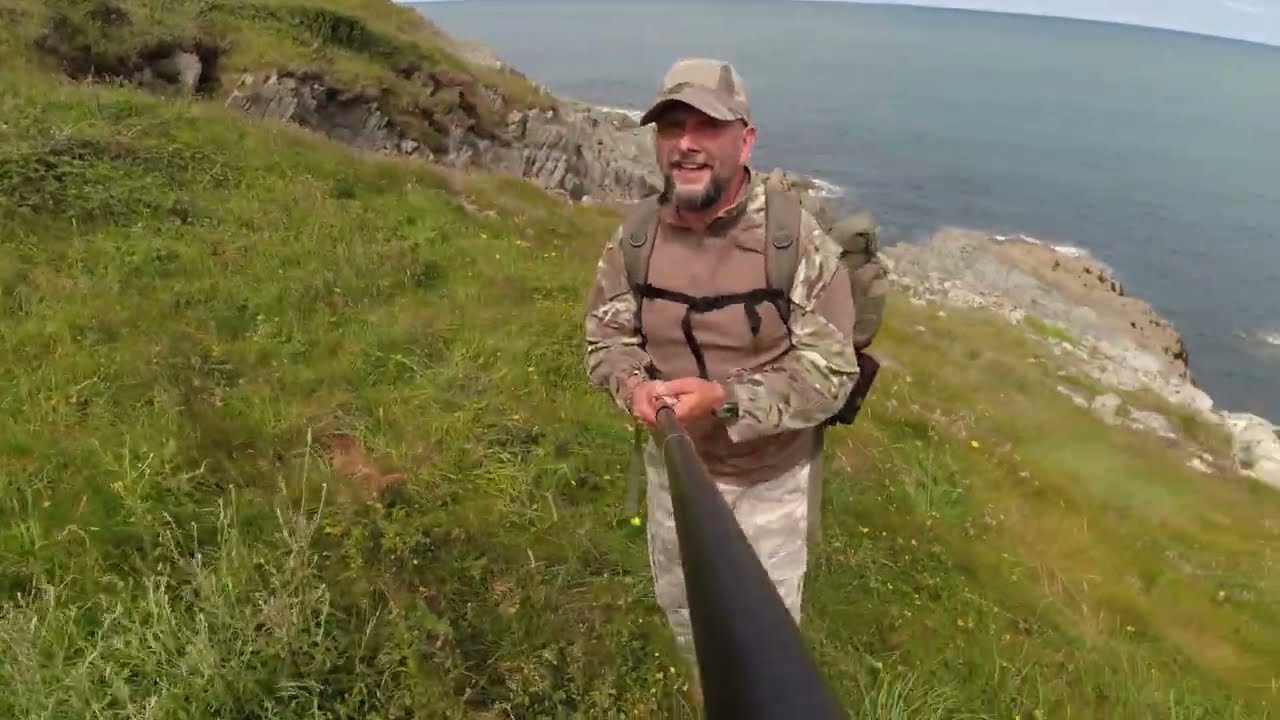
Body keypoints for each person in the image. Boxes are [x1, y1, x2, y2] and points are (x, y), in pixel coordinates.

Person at [581, 58, 861, 667]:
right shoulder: (634, 240)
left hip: (769, 478)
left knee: (764, 642)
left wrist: (725, 400)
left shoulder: (797, 242)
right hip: (676, 471)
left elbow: (833, 372)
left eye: (706, 125)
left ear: (746, 138)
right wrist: (631, 385)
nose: (686, 144)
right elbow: (606, 338)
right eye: (671, 126)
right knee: (685, 614)